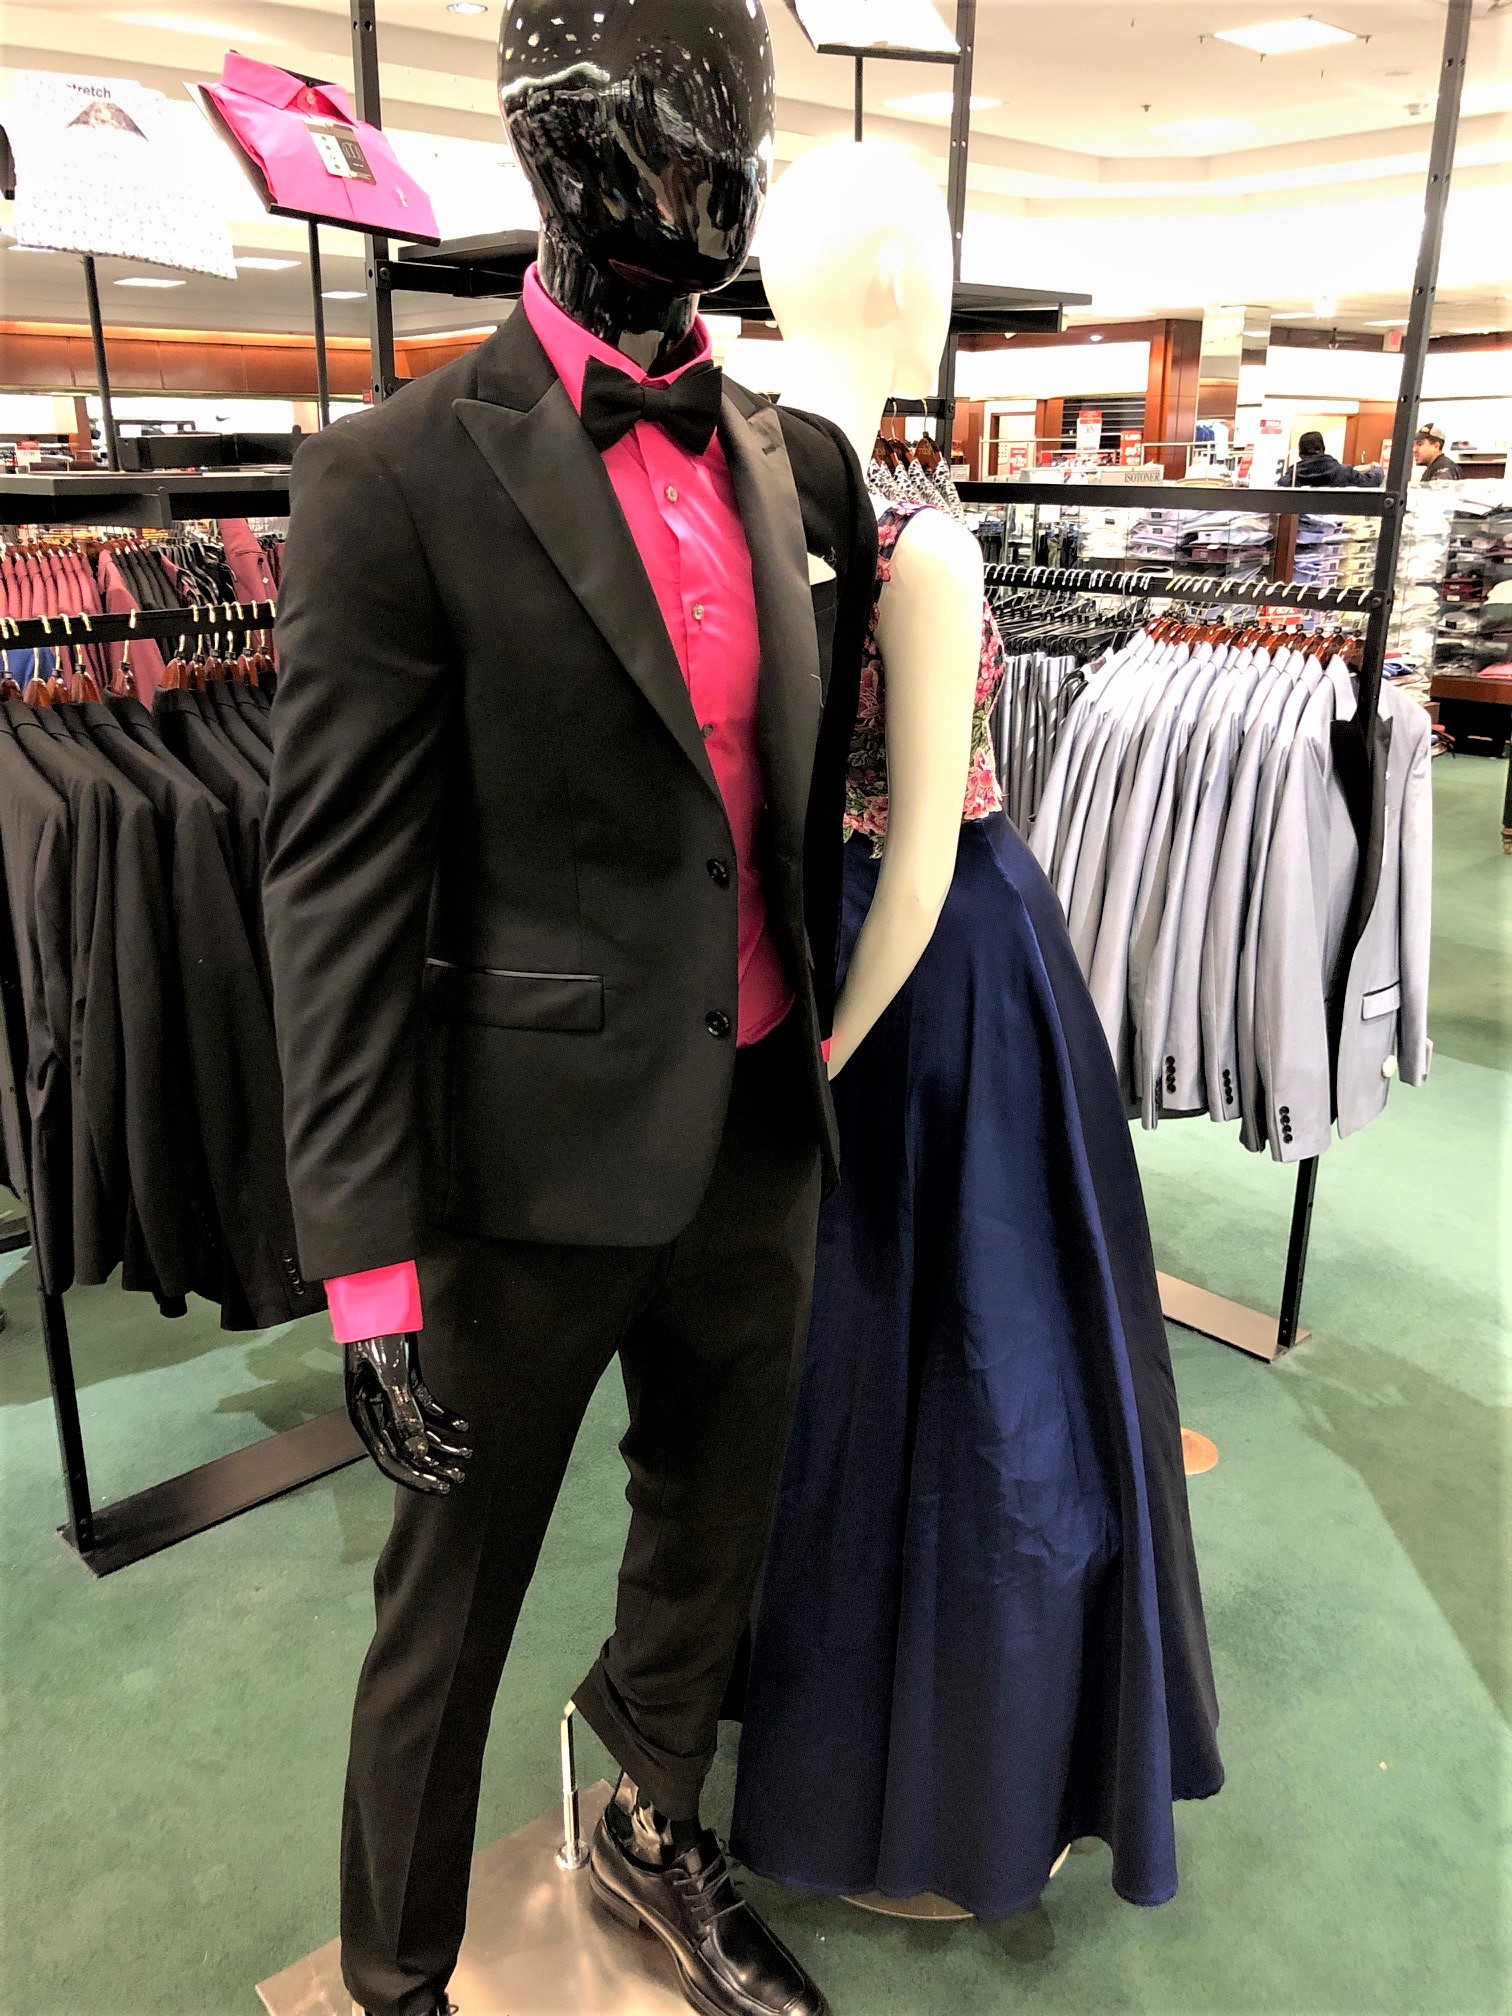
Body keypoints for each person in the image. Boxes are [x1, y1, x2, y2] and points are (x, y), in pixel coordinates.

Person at [1279, 429, 1380, 487]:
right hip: (1336, 518)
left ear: (1300, 453)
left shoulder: (1291, 477)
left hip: (1301, 519)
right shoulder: (1343, 472)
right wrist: (1377, 468)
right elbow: (1372, 482)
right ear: (1323, 448)